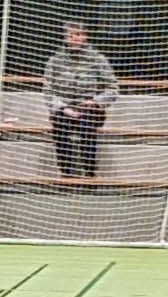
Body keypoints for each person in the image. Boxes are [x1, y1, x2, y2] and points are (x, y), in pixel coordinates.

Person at [44, 22, 120, 180]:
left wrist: (95, 102)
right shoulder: (55, 61)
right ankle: (66, 173)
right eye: (71, 35)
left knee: (86, 126)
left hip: (90, 108)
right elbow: (48, 91)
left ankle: (89, 173)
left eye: (78, 34)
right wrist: (62, 108)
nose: (74, 38)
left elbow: (113, 88)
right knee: (60, 125)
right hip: (64, 109)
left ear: (85, 36)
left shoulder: (97, 59)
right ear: (65, 37)